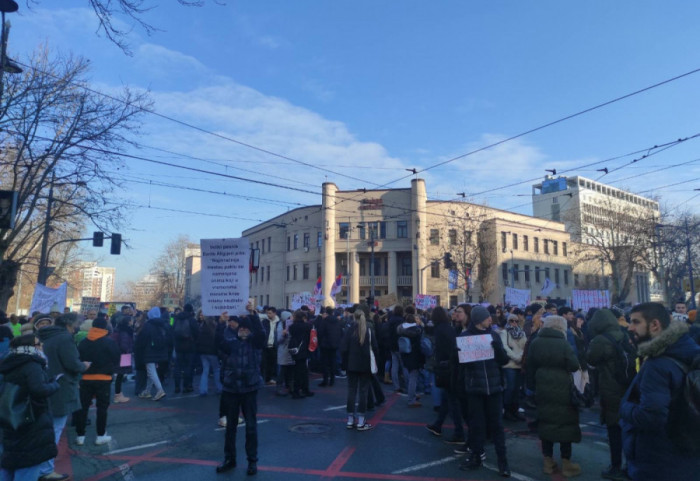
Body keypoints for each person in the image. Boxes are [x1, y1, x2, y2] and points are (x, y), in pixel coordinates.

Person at [620, 302, 700, 481]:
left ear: (655, 325)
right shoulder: (688, 350)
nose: (630, 327)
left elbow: (651, 417)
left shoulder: (657, 364)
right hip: (688, 455)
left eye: (635, 322)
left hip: (659, 461)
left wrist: (624, 407)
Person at [457, 305, 511, 477]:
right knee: (476, 425)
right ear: (480, 319)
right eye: (488, 317)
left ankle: (503, 462)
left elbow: (503, 361)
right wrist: (460, 354)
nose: (491, 319)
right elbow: (462, 365)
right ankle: (476, 456)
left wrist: (498, 349)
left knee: (497, 426)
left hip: (494, 388)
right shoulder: (465, 337)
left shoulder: (493, 335)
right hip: (475, 389)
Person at [526, 315, 582, 477]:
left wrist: (532, 387)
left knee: (546, 421)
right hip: (562, 386)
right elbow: (573, 365)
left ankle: (548, 461)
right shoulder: (563, 344)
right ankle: (566, 462)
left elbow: (530, 366)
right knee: (566, 423)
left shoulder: (536, 342)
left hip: (542, 385)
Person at [0, 335, 60, 481]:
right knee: (29, 462)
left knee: (8, 460)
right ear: (31, 347)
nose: (41, 346)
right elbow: (38, 390)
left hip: (8, 416)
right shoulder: (31, 363)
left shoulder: (8, 361)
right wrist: (54, 384)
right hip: (31, 417)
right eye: (39, 344)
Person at [35, 313, 86, 480]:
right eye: (77, 324)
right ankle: (46, 469)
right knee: (55, 429)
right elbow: (72, 363)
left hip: (46, 384)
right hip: (61, 386)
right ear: (70, 325)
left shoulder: (44, 336)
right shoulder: (64, 339)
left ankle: (41, 466)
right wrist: (83, 366)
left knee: (45, 428)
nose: (77, 327)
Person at [587, 308, 637, 481]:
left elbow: (591, 358)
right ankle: (630, 465)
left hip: (610, 386)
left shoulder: (600, 340)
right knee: (629, 426)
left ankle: (615, 465)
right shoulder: (624, 334)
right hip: (628, 385)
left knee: (614, 428)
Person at [216, 314, 266, 476]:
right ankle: (229, 458)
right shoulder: (231, 344)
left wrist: (254, 316)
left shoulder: (255, 343)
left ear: (250, 330)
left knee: (251, 427)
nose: (243, 330)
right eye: (241, 327)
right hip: (231, 389)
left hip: (249, 389)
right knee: (230, 427)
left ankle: (252, 461)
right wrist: (221, 323)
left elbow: (261, 334)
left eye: (246, 328)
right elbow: (218, 342)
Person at [75, 315, 121, 446]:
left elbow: (77, 358)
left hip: (86, 378)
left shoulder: (84, 342)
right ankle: (100, 435)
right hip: (104, 378)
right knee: (102, 408)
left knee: (83, 407)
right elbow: (116, 358)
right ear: (105, 327)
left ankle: (80, 435)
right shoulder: (109, 342)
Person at [426, 306, 464, 443]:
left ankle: (459, 432)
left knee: (452, 401)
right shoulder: (449, 328)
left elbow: (443, 349)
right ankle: (438, 424)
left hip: (447, 367)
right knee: (446, 398)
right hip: (451, 366)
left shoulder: (439, 330)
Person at [340, 309, 378, 431]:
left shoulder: (349, 330)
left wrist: (345, 364)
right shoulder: (369, 330)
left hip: (352, 364)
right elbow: (375, 348)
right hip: (365, 364)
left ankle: (350, 419)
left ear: (353, 317)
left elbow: (343, 348)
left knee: (351, 390)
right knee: (363, 391)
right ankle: (361, 420)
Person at [134, 306, 173, 401]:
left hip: (149, 352)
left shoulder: (148, 325)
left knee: (151, 372)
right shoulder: (164, 324)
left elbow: (142, 340)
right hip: (160, 352)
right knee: (152, 371)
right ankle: (147, 391)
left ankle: (160, 390)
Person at [500, 313, 527, 422]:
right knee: (510, 388)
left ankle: (514, 410)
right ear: (508, 321)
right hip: (510, 364)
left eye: (516, 321)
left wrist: (520, 357)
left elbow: (525, 346)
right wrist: (516, 357)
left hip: (519, 363)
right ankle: (507, 411)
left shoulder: (522, 333)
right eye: (512, 321)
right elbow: (505, 347)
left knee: (517, 389)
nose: (514, 323)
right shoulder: (504, 332)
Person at [397, 312, 424, 407]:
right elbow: (420, 345)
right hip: (414, 356)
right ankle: (411, 399)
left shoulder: (401, 330)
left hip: (404, 354)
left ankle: (412, 393)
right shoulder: (417, 330)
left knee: (408, 375)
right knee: (413, 376)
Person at [172, 303, 199, 394]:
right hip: (190, 346)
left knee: (178, 367)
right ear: (191, 310)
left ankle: (176, 386)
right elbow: (197, 332)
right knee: (188, 367)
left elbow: (173, 330)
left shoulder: (176, 318)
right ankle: (186, 386)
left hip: (178, 346)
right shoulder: (192, 320)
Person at [288, 309, 313, 399]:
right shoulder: (306, 326)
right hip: (303, 349)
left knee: (300, 370)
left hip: (295, 349)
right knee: (301, 371)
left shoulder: (292, 326)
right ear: (303, 317)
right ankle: (298, 391)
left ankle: (301, 389)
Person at [196, 311, 222, 396]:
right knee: (216, 369)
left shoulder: (202, 326)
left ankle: (203, 390)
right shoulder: (214, 326)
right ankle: (219, 387)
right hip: (212, 351)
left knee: (205, 370)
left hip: (203, 352)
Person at [318, 306, 342, 387]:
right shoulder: (337, 321)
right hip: (334, 344)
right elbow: (340, 332)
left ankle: (325, 380)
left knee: (325, 363)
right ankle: (332, 380)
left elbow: (320, 332)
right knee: (333, 362)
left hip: (325, 345)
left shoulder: (324, 321)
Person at [112, 313, 134, 403]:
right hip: (123, 355)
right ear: (128, 322)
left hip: (120, 355)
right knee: (120, 375)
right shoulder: (125, 332)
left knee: (120, 375)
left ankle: (119, 394)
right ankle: (118, 395)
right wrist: (130, 349)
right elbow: (124, 345)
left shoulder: (119, 330)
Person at [260, 307, 279, 385]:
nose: (268, 315)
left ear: (274, 313)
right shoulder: (264, 322)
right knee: (262, 364)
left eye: (270, 313)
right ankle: (261, 379)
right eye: (267, 313)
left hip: (273, 346)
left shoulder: (278, 322)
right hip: (265, 345)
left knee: (271, 364)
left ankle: (268, 379)